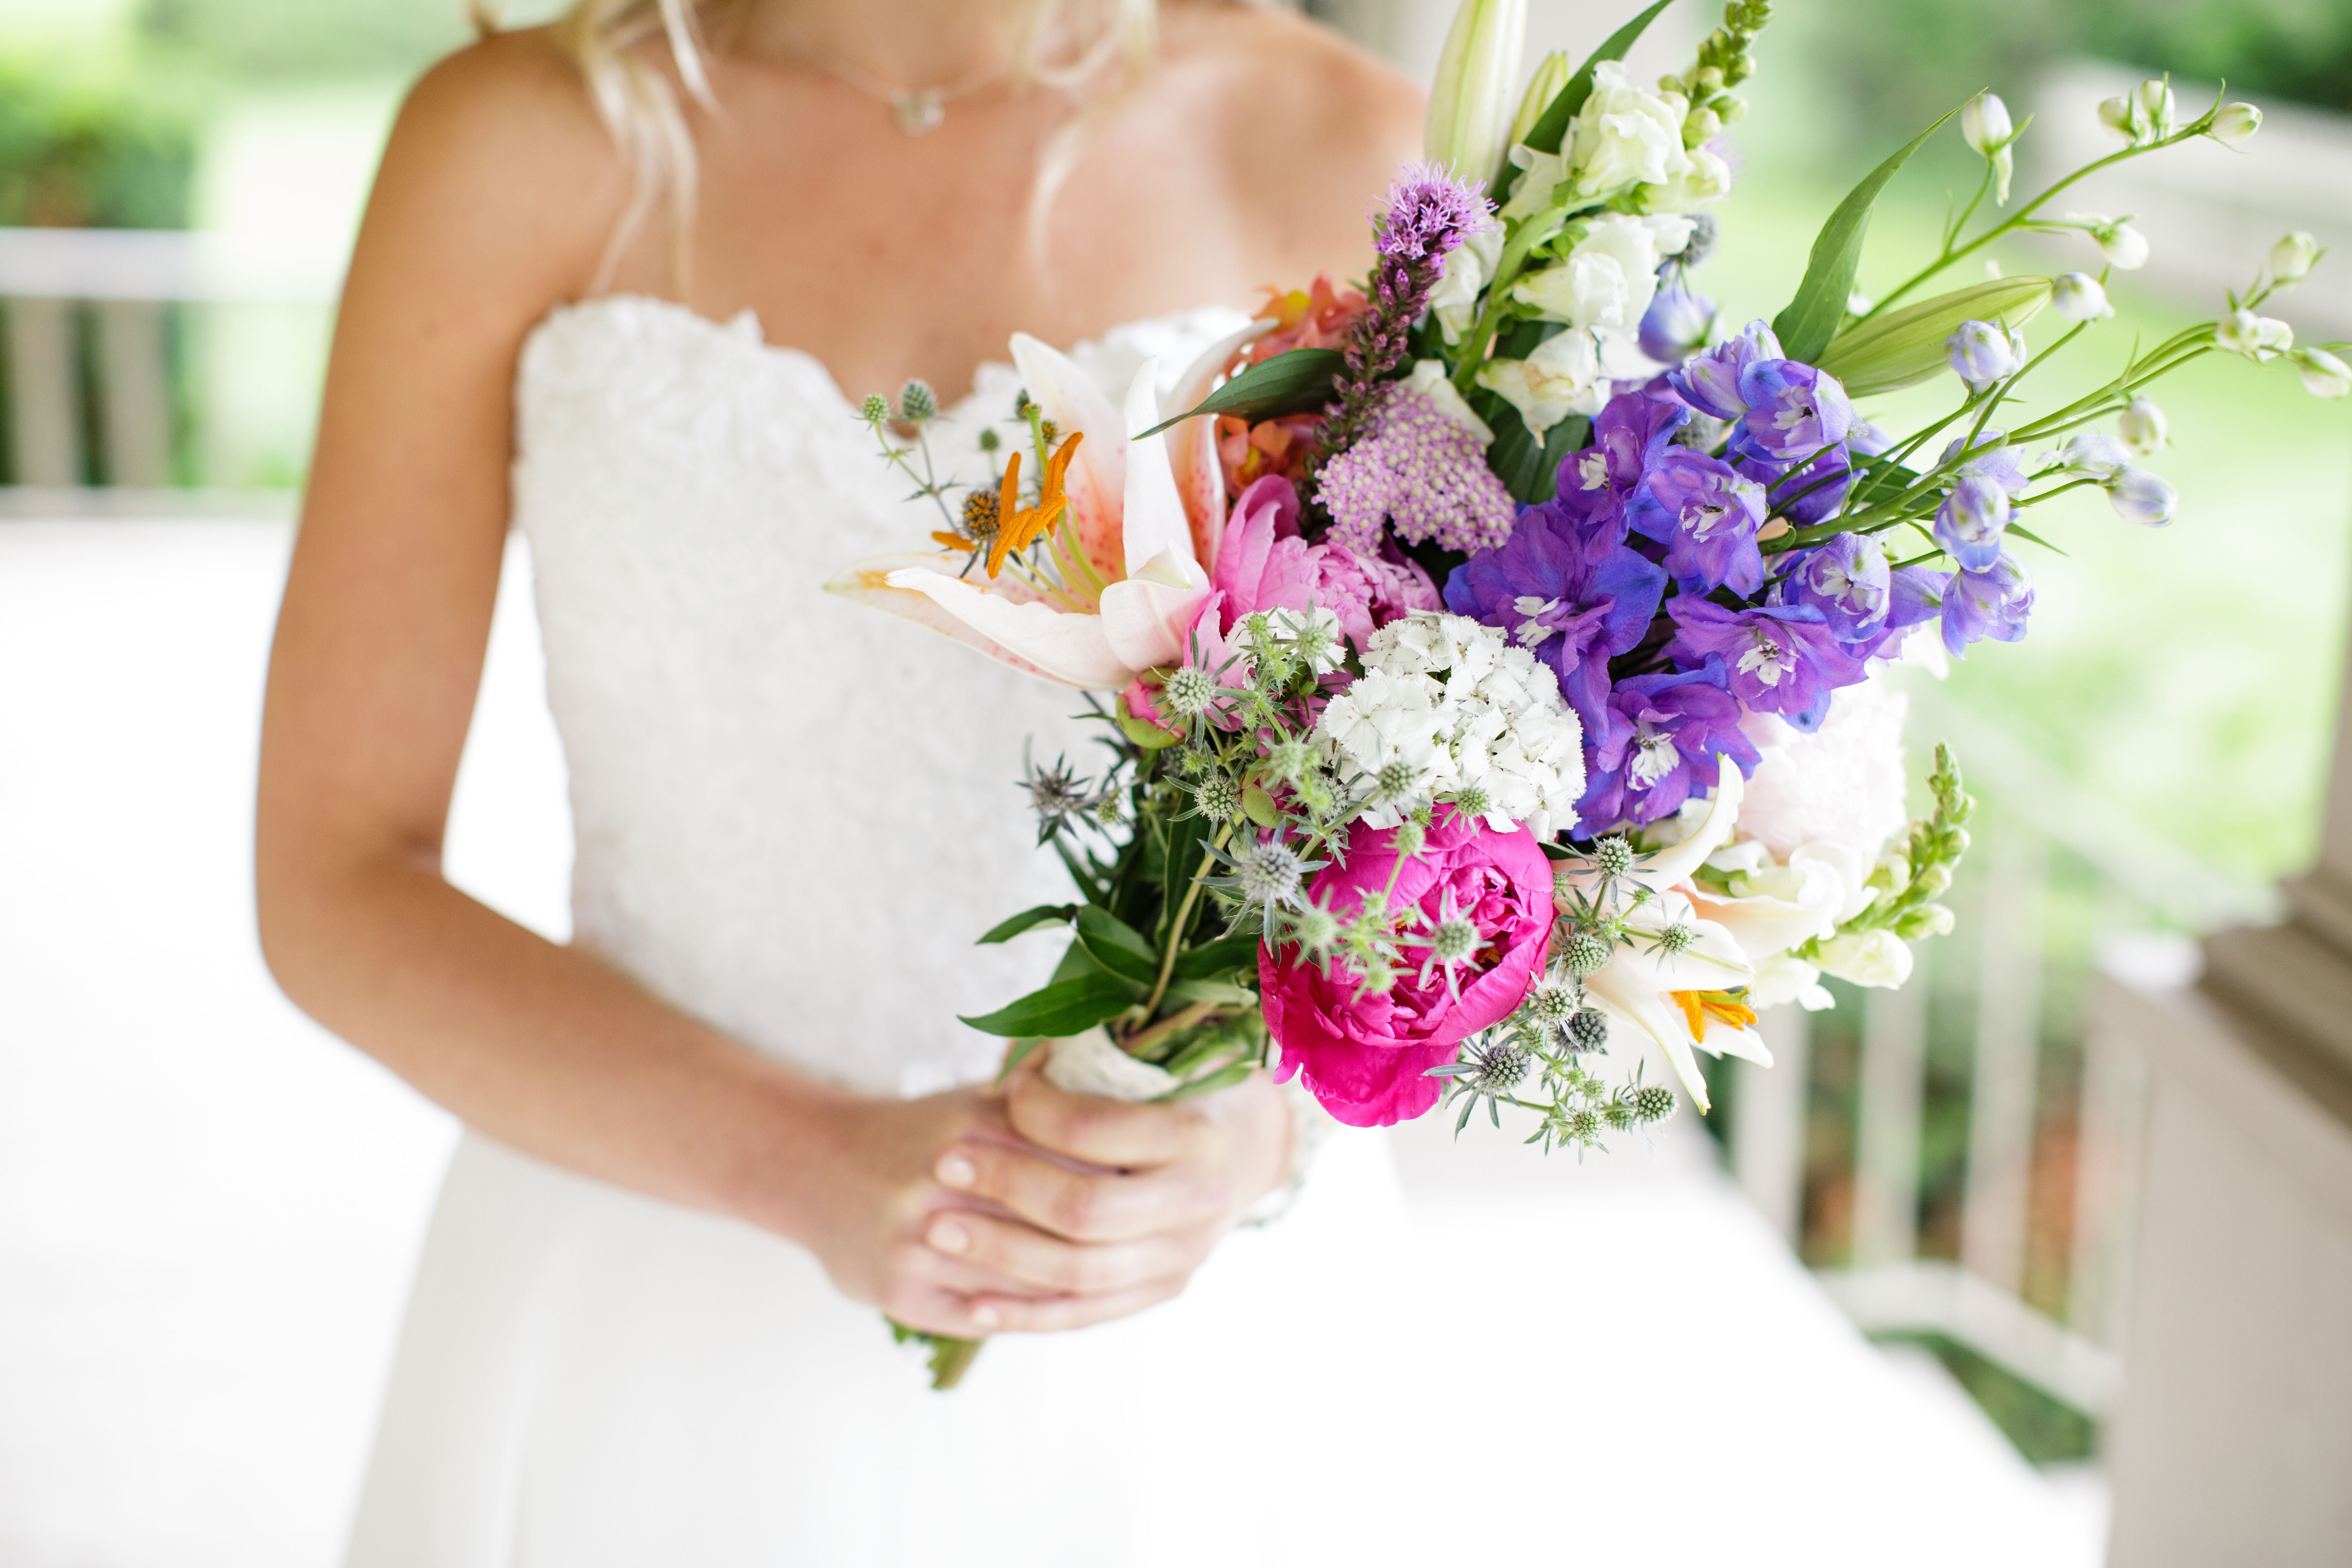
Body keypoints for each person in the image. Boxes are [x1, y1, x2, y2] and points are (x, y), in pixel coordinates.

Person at [255, 2, 1425, 1561]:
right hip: (637, 1293)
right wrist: (805, 1162)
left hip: (1170, 1327)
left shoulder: (1349, 148)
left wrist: (1258, 1133)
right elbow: (333, 874)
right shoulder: (522, 139)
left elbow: (1484, 797)